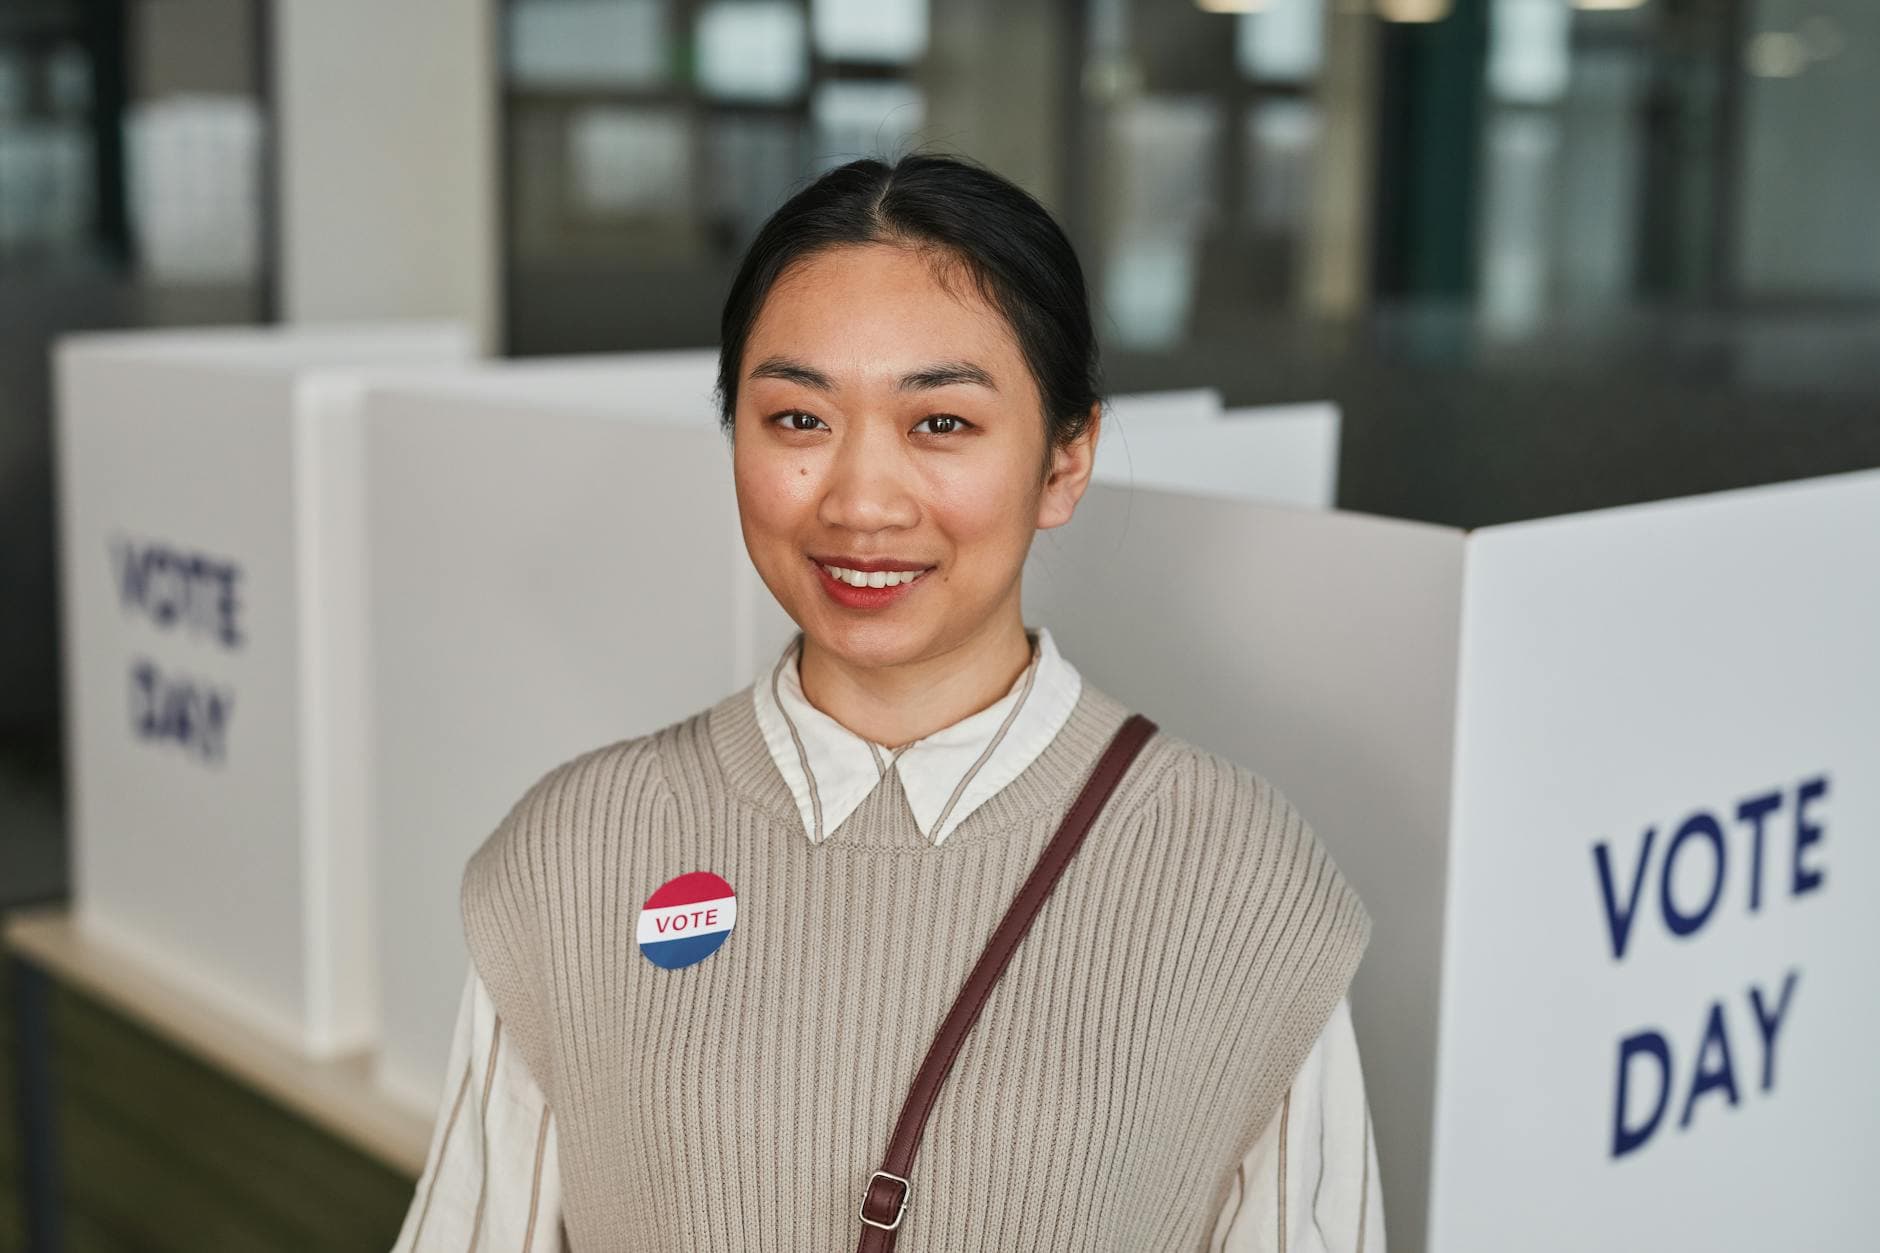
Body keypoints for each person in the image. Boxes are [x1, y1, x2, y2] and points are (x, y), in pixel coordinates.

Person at [391, 151, 1380, 1252]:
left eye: (939, 424)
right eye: (797, 420)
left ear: (1064, 458)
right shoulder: (569, 858)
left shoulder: (1242, 883)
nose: (860, 501)